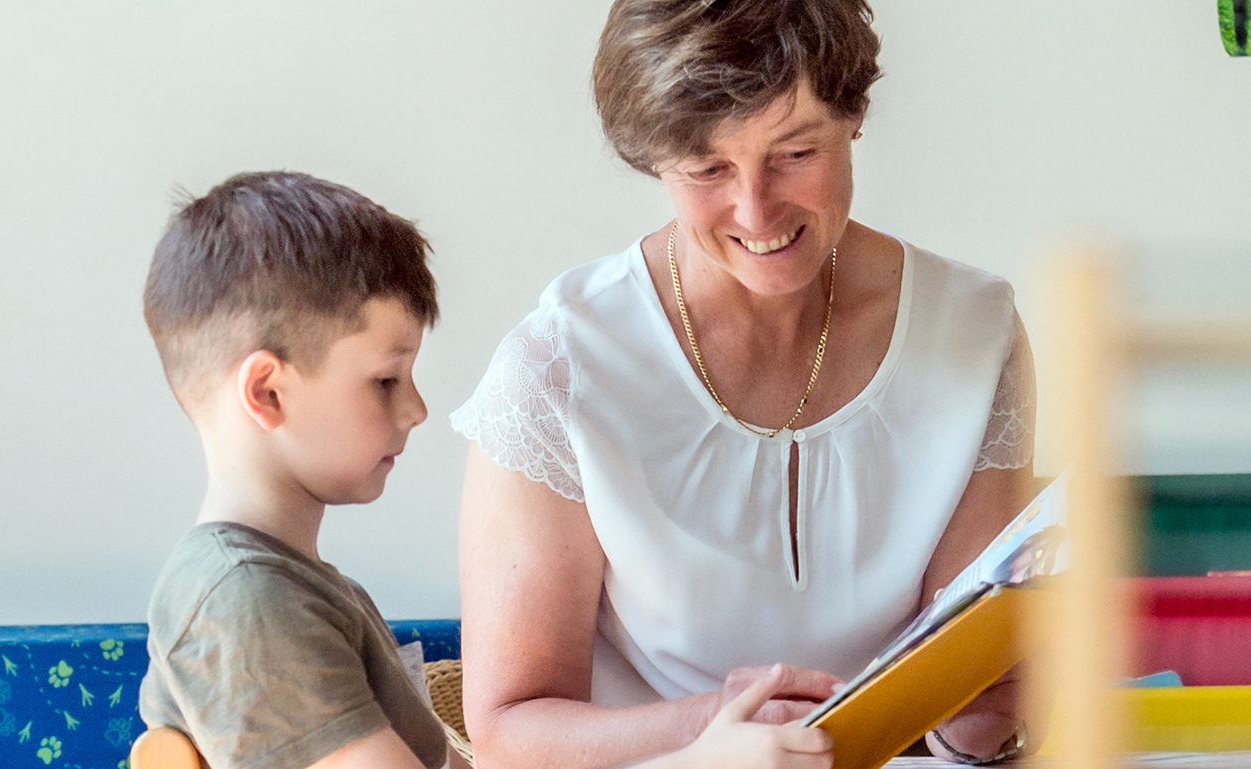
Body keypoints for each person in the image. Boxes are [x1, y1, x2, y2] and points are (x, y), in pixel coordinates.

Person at [452, 1, 1038, 767]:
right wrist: (714, 730)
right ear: (655, 159)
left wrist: (984, 715)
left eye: (795, 153)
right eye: (708, 169)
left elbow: (965, 712)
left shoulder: (974, 332)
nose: (756, 210)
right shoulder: (558, 368)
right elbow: (508, 732)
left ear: (853, 117)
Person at [136, 171, 834, 769]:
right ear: (267, 392)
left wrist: (700, 734)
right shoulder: (244, 602)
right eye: (384, 380)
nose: (416, 409)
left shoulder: (292, 585)